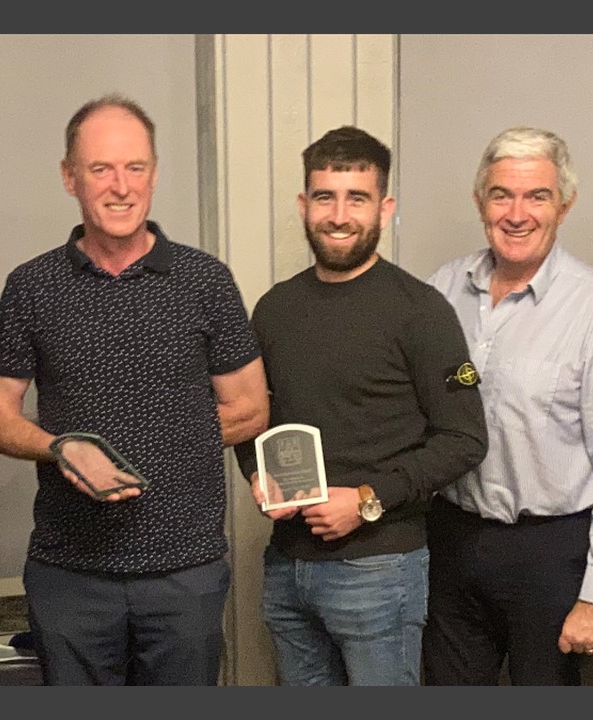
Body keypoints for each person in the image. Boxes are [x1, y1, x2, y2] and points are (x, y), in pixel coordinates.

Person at [0, 93, 269, 686]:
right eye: (100, 169)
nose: (120, 186)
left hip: (184, 571)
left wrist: (162, 436)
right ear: (69, 178)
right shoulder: (31, 286)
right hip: (70, 573)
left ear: (154, 174)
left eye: (135, 167)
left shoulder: (205, 280)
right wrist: (62, 448)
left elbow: (251, 409)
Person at [231, 126, 488, 686]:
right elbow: (248, 418)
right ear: (304, 204)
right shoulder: (274, 309)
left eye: (357, 198)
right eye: (325, 197)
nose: (339, 215)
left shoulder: (421, 311)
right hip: (287, 567)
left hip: (381, 566)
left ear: (385, 207)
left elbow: (465, 439)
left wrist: (369, 499)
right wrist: (258, 475)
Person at [422, 126, 593, 686]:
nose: (517, 213)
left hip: (552, 556)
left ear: (564, 205)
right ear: (480, 201)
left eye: (538, 196)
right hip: (452, 542)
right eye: (502, 194)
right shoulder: (441, 291)